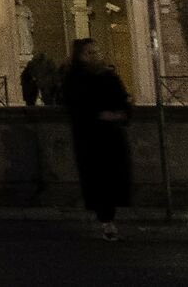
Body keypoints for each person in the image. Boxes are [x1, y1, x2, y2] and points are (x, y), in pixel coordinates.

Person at [60, 38, 132, 239]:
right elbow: (75, 108)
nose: (95, 56)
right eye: (89, 53)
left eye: (96, 52)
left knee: (115, 177)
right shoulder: (74, 79)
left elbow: (123, 101)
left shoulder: (109, 76)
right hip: (89, 139)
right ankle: (106, 220)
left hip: (113, 137)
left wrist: (121, 114)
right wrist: (100, 116)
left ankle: (109, 217)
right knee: (97, 179)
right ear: (80, 56)